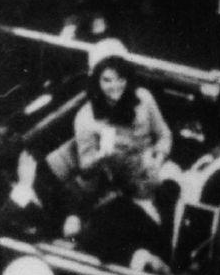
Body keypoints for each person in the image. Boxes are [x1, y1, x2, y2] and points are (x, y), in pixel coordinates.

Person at [73, 41, 173, 179]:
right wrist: (100, 157)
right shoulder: (85, 118)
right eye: (107, 80)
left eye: (120, 79)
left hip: (156, 167)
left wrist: (158, 161)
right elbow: (85, 168)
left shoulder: (143, 97)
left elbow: (164, 134)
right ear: (96, 81)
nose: (115, 87)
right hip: (122, 183)